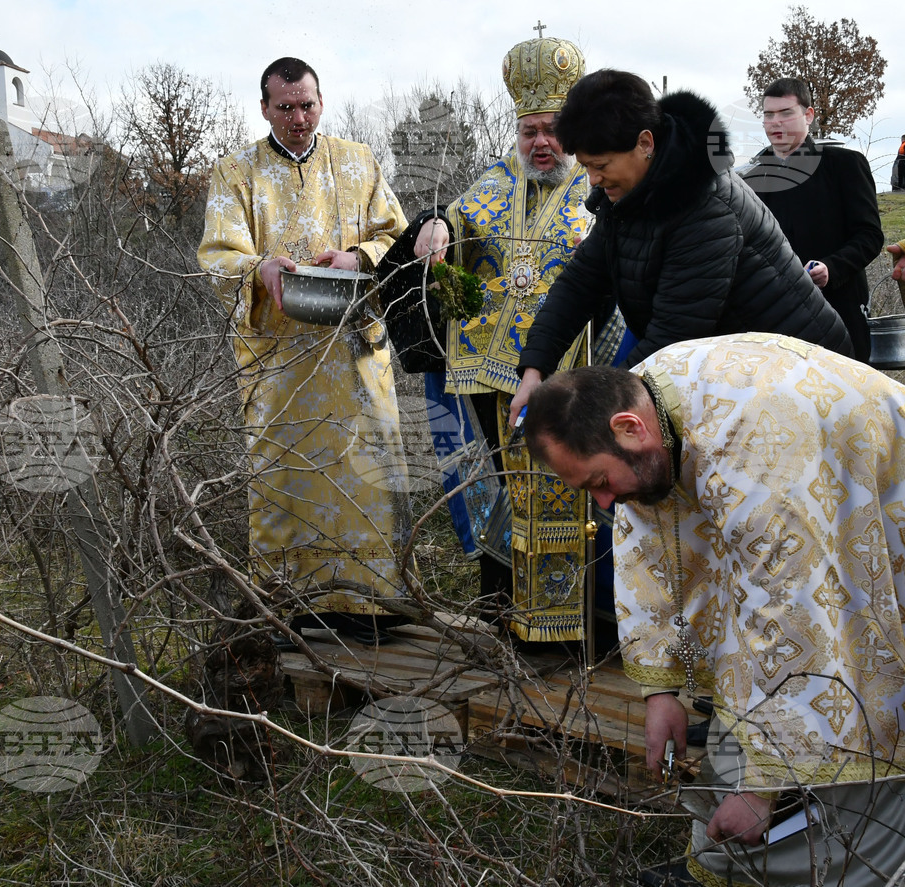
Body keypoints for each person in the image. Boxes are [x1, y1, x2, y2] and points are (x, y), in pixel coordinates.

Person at [523, 332, 905, 887]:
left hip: (874, 509)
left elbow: (793, 614)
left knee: (864, 712)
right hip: (807, 521)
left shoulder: (762, 447)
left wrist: (760, 790)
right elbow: (646, 551)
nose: (603, 504)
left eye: (601, 483)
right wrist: (661, 692)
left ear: (631, 430)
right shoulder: (644, 402)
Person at [379, 36, 627, 644]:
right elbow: (449, 220)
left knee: (573, 496)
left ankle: (577, 634)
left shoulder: (599, 190)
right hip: (491, 379)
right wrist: (434, 226)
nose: (540, 142)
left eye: (551, 129)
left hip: (574, 379)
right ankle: (506, 622)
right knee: (500, 499)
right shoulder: (491, 184)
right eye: (528, 131)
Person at [197, 57, 413, 644]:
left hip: (353, 349)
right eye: (285, 107)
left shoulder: (358, 161)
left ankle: (373, 606)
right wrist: (258, 266)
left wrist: (359, 257)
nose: (298, 117)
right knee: (285, 474)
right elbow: (217, 253)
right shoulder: (235, 172)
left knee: (366, 468)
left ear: (322, 101)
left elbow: (397, 235)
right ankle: (295, 607)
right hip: (281, 359)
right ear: (264, 108)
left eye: (308, 104)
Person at [509, 69, 853, 424]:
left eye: (601, 165)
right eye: (585, 167)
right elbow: (580, 283)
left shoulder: (708, 206)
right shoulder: (627, 194)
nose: (592, 179)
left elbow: (673, 337)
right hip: (739, 375)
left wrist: (591, 410)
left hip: (807, 383)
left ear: (645, 143)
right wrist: (535, 369)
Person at [740, 78, 883, 361]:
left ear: (808, 116)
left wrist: (832, 267)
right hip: (770, 327)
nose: (775, 123)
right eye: (769, 115)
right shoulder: (749, 179)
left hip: (838, 316)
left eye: (786, 113)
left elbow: (869, 235)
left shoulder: (844, 165)